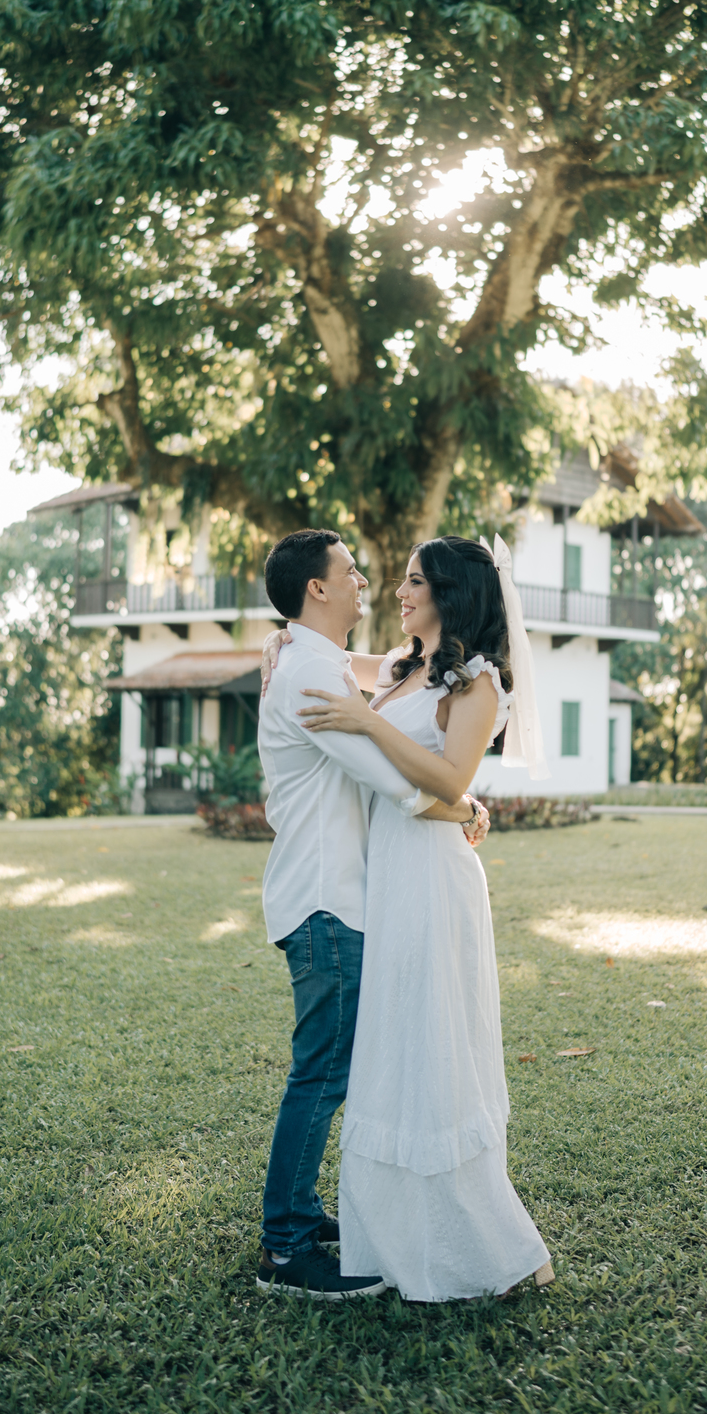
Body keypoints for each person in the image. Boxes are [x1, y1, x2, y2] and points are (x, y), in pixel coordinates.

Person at [293, 534, 554, 1301]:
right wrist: (283, 643)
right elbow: (334, 665)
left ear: (449, 593)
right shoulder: (404, 668)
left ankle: (491, 1249)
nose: (398, 593)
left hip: (435, 880)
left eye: (413, 582)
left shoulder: (480, 687)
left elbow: (450, 775)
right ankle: (391, 1238)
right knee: (392, 1046)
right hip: (387, 875)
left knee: (434, 1050)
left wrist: (367, 725)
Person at [255, 529, 489, 1301]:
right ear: (318, 590)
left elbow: (393, 677)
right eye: (352, 572)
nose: (373, 583)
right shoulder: (308, 680)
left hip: (338, 895)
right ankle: (287, 1246)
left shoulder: (313, 661)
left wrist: (462, 797)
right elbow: (394, 782)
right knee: (321, 1074)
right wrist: (464, 803)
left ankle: (302, 1210)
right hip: (326, 899)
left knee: (331, 1067)